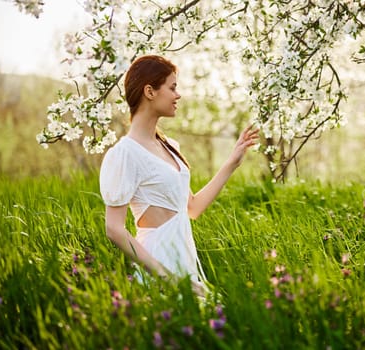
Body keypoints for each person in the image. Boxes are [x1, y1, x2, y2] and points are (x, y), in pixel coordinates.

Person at [99, 55, 259, 297]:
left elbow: (192, 209)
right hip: (158, 265)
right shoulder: (124, 154)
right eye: (172, 88)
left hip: (185, 261)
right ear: (150, 91)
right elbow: (114, 229)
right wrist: (168, 278)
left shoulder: (169, 146)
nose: (178, 95)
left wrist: (231, 163)